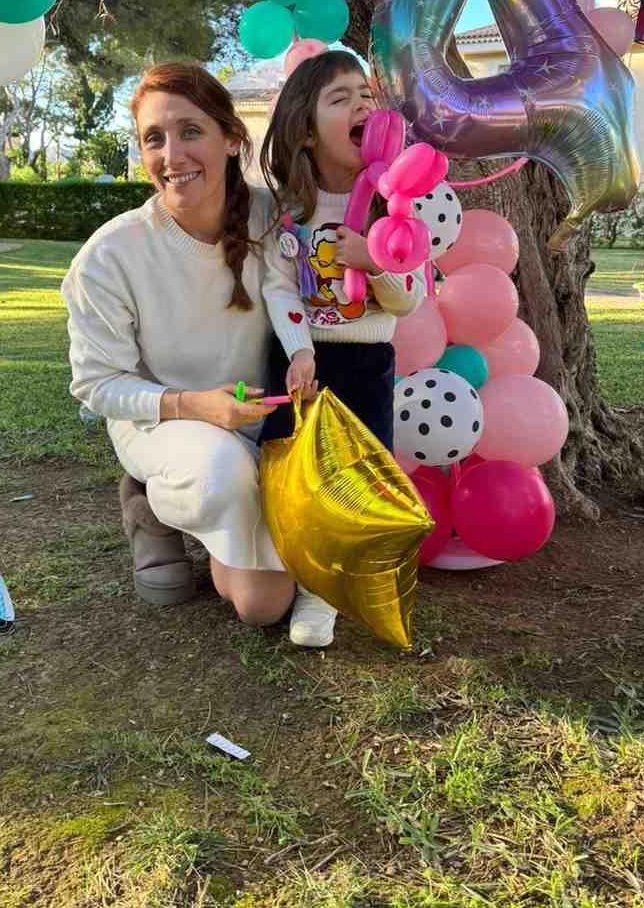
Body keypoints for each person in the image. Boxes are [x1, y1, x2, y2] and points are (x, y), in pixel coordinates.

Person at [60, 62, 295, 627]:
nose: (173, 155)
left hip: (262, 425)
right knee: (257, 598)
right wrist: (194, 406)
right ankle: (149, 506)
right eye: (154, 139)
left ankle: (228, 512)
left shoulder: (277, 220)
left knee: (266, 604)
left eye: (191, 131)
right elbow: (97, 384)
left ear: (231, 138)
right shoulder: (110, 255)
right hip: (166, 424)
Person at [259, 50, 425, 648]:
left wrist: (375, 265)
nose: (362, 104)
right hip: (303, 363)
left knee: (354, 480)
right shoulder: (291, 213)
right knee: (301, 474)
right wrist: (300, 349)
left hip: (366, 365)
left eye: (365, 94)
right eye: (341, 98)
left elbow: (409, 301)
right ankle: (294, 565)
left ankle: (323, 595)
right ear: (305, 130)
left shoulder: (397, 205)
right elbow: (278, 289)